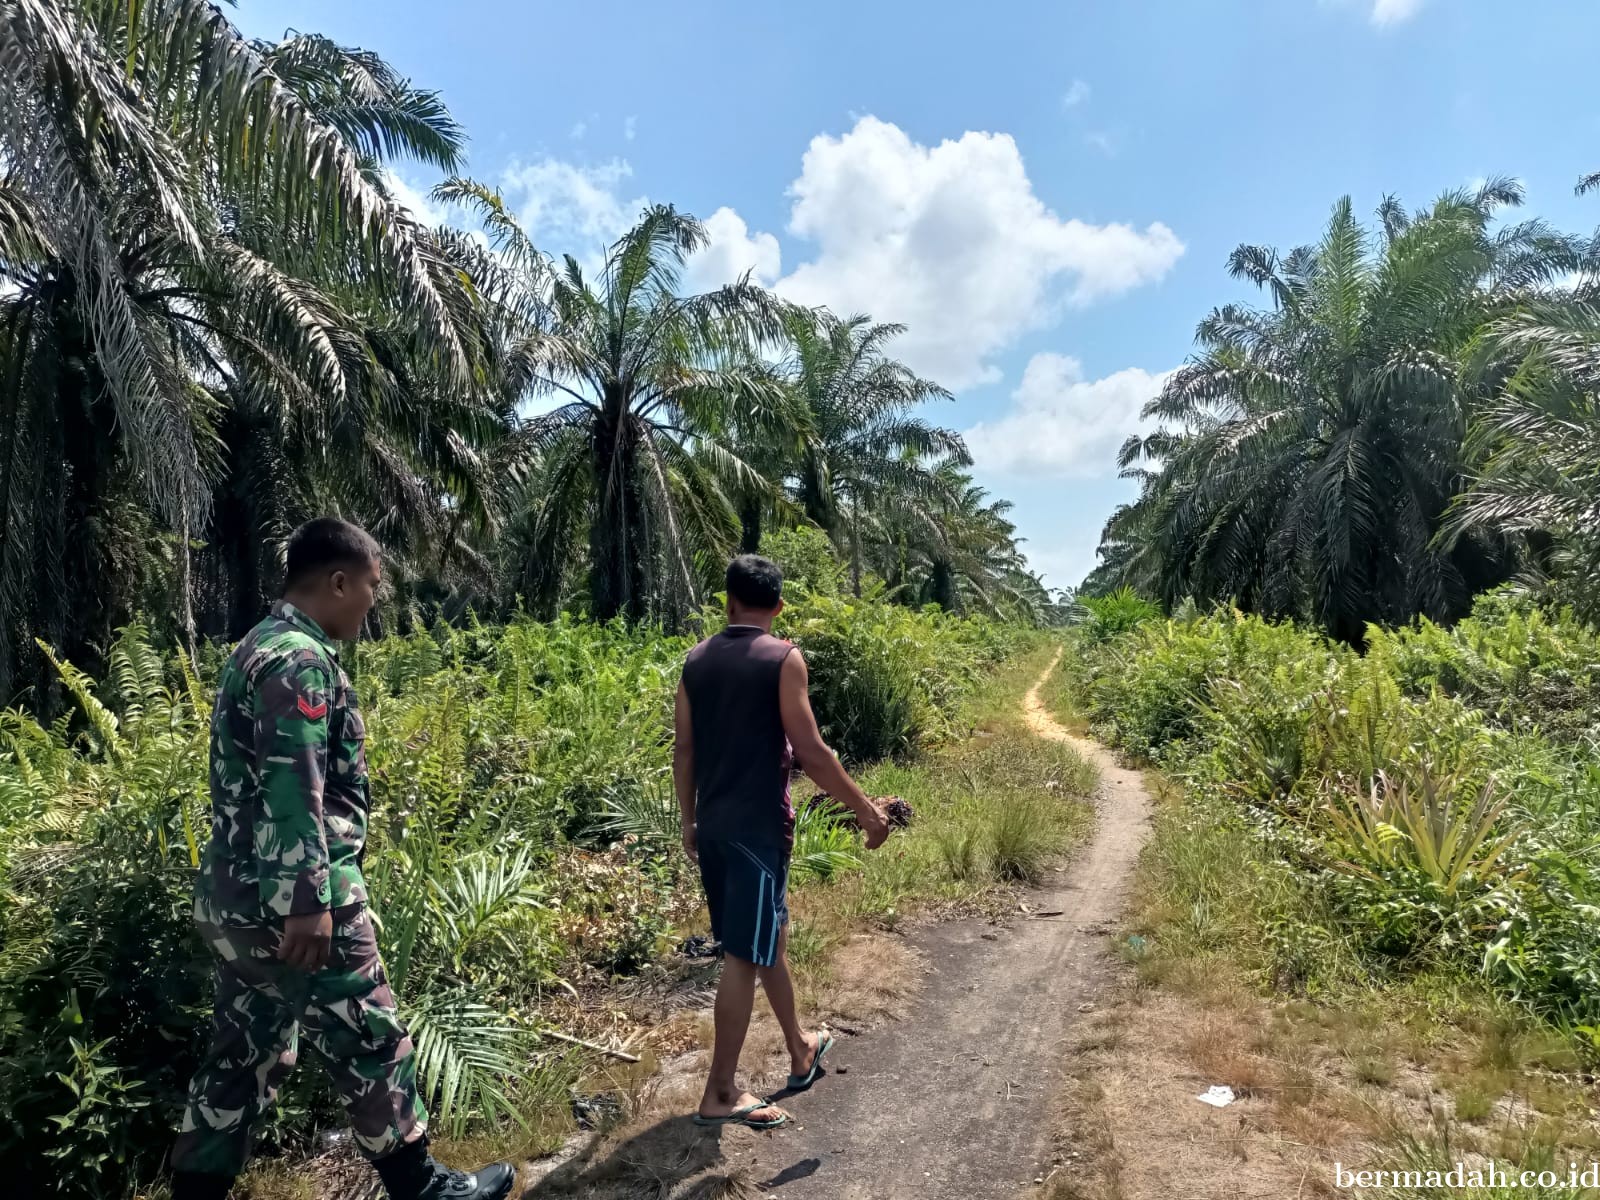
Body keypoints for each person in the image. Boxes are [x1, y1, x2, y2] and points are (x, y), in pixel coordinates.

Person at [169, 519, 514, 1200]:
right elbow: (294, 786)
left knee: (243, 1054)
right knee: (372, 1037)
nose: (372, 601)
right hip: (295, 901)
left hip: (238, 899)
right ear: (337, 581)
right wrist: (308, 900)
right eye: (371, 586)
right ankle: (423, 1190)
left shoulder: (255, 647)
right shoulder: (299, 660)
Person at [674, 554, 891, 1129]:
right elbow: (813, 752)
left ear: (728, 602)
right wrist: (868, 813)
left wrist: (687, 821)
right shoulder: (783, 658)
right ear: (779, 605)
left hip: (715, 827)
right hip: (758, 830)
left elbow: (685, 750)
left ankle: (799, 1047)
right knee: (744, 955)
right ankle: (720, 1091)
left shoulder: (695, 661)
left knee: (771, 934)